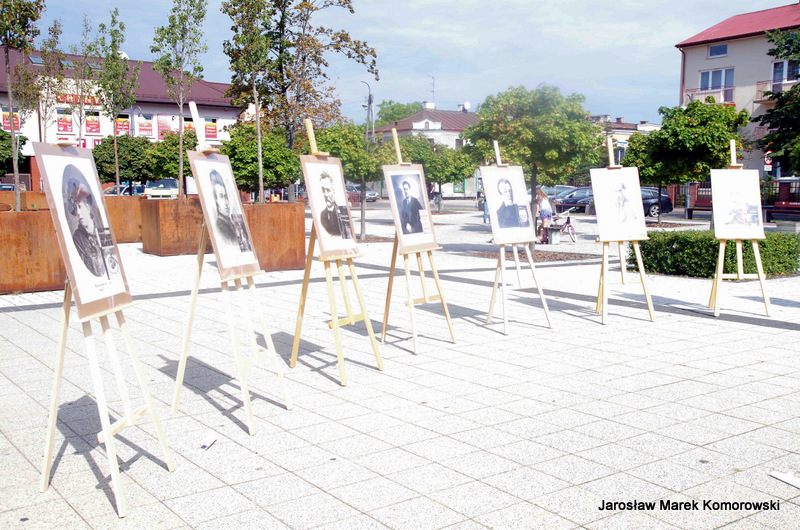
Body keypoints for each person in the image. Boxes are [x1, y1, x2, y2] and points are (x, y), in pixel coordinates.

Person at [63, 165, 108, 278]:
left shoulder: (101, 229)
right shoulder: (77, 237)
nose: (78, 213)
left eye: (80, 207)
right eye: (75, 209)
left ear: (87, 207)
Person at [209, 169, 251, 252]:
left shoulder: (231, 221)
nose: (226, 202)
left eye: (226, 197)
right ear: (215, 199)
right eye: (221, 196)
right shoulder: (221, 226)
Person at [319, 171, 350, 237]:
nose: (326, 195)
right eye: (323, 190)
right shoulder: (322, 215)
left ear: (333, 190)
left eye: (328, 190)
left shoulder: (343, 212)